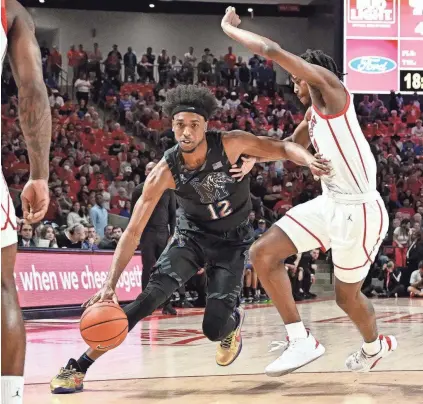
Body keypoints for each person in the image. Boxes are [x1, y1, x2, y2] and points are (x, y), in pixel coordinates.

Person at [49, 84, 329, 394]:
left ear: (206, 126)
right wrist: (109, 284)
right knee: (148, 299)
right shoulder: (165, 171)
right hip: (191, 238)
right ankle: (79, 365)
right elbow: (132, 232)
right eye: (180, 124)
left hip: (231, 243)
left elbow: (283, 147)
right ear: (172, 125)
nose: (187, 131)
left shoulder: (232, 144)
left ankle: (231, 324)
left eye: (194, 124)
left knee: (213, 329)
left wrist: (308, 160)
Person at [221, 6, 396, 376]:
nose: (293, 84)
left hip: (360, 212)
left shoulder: (332, 92)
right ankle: (300, 339)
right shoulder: (312, 116)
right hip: (330, 203)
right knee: (263, 253)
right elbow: (287, 145)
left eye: (296, 78)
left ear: (312, 74)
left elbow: (270, 51)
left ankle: (374, 346)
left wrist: (229, 29)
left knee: (346, 298)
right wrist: (256, 160)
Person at [1, 1, 51, 403]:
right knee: (2, 287)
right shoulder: (10, 10)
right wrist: (39, 174)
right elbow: (32, 90)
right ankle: (10, 397)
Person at [130, 161, 177, 315]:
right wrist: (135, 235)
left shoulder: (168, 189)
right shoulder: (138, 190)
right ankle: (145, 304)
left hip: (164, 233)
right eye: (148, 168)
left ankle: (167, 303)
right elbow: (133, 216)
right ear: (145, 172)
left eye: (153, 168)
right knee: (148, 267)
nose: (151, 171)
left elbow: (172, 214)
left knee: (165, 269)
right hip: (147, 233)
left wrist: (173, 233)